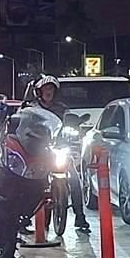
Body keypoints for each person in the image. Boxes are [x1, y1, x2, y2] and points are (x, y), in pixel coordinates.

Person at [26, 75, 90, 232]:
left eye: (52, 89)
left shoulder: (62, 109)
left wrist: (75, 128)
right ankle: (23, 218)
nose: (49, 92)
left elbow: (70, 123)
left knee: (75, 180)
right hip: (39, 152)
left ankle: (80, 218)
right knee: (27, 181)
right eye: (46, 89)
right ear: (39, 92)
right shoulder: (32, 109)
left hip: (59, 148)